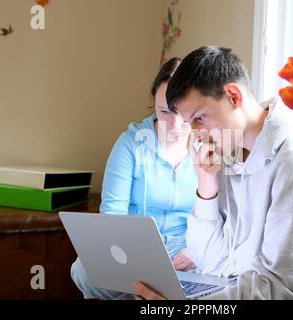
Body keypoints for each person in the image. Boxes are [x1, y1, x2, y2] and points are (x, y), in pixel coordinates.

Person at [133, 46, 293, 300]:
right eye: (191, 123)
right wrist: (206, 187)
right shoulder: (229, 150)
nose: (196, 134)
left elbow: (279, 289)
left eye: (200, 117)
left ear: (233, 96)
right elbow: (209, 265)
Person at [71, 57, 198, 299]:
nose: (175, 125)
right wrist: (132, 257)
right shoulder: (130, 143)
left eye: (182, 113)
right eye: (164, 112)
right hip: (137, 247)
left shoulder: (208, 145)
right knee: (84, 271)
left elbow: (221, 217)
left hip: (186, 248)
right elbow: (112, 215)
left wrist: (198, 251)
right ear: (154, 103)